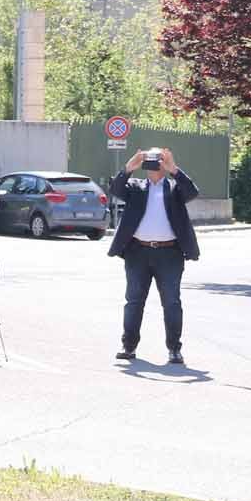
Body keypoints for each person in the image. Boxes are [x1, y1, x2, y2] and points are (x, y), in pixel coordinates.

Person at [108, 146, 200, 366]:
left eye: (157, 160)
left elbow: (193, 192)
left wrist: (174, 169)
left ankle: (174, 350)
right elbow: (116, 189)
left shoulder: (175, 188)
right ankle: (128, 346)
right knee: (133, 302)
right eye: (150, 160)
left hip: (170, 253)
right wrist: (129, 167)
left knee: (171, 302)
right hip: (137, 252)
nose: (153, 165)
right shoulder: (136, 187)